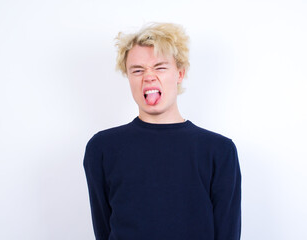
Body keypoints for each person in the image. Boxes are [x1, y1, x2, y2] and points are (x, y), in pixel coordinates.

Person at [83, 22, 241, 240]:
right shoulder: (101, 149)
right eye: (137, 70)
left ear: (179, 74)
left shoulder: (219, 151)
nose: (148, 76)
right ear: (128, 77)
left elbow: (227, 232)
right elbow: (104, 228)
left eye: (160, 67)